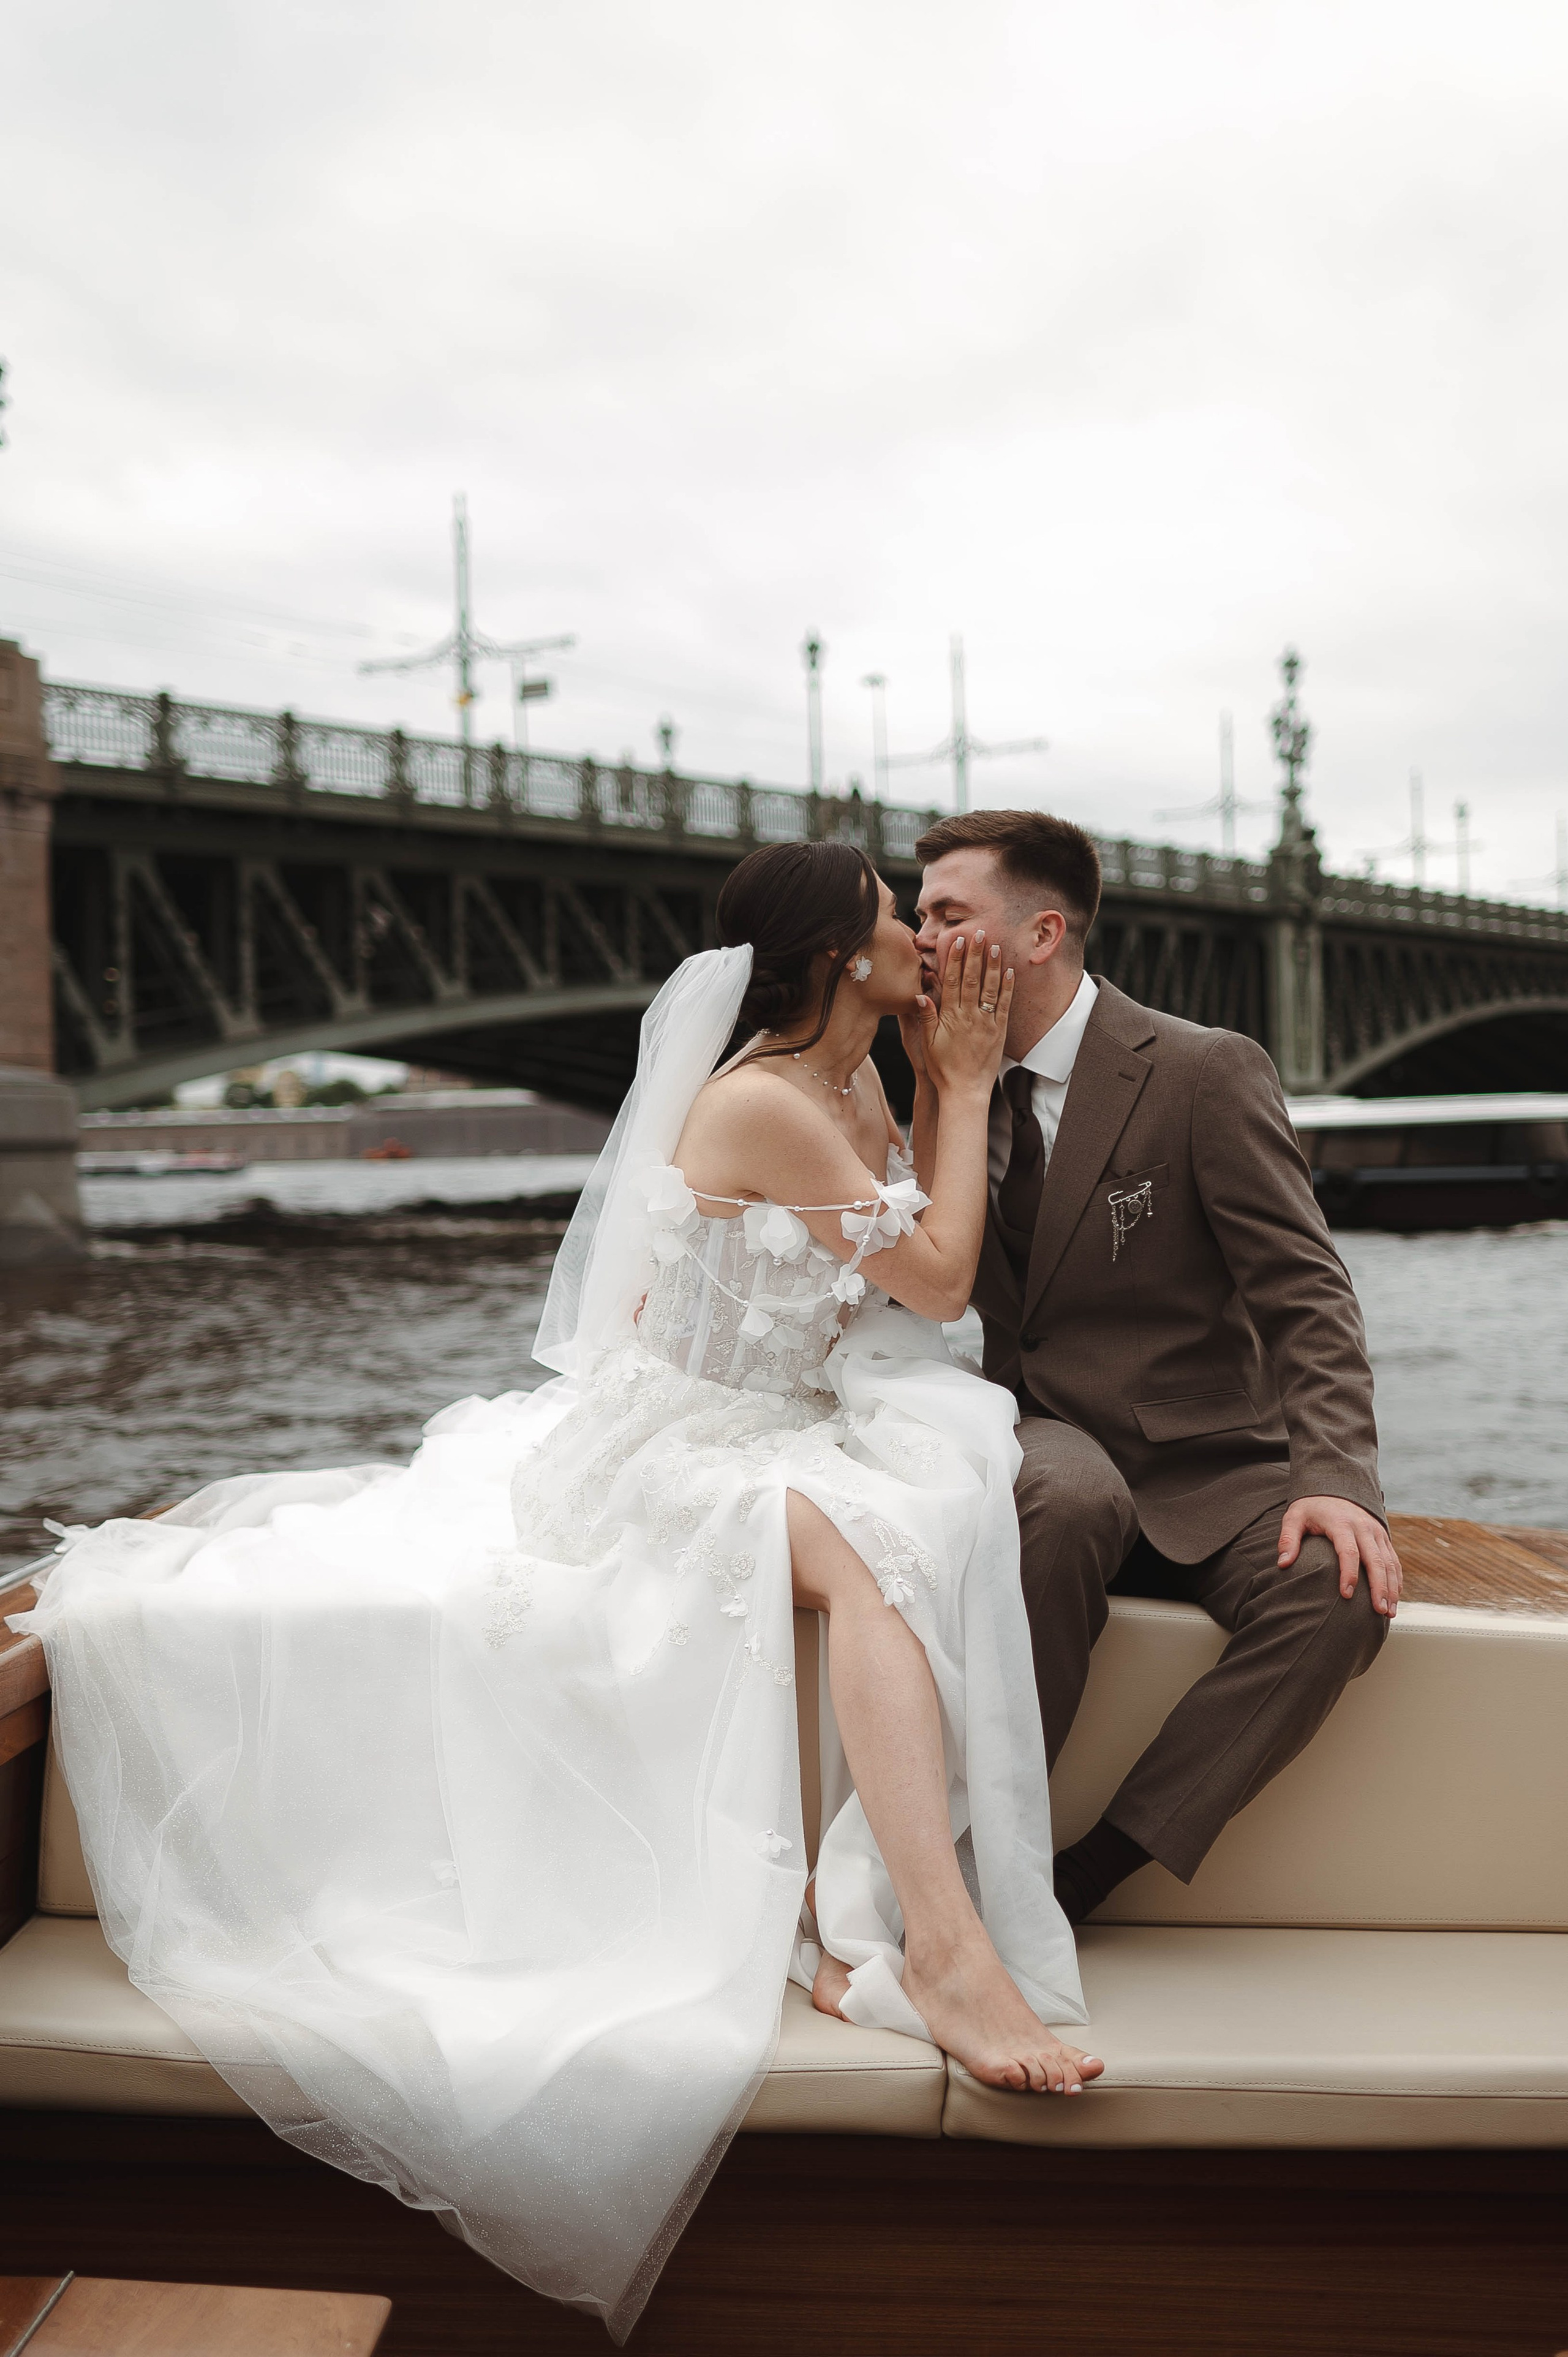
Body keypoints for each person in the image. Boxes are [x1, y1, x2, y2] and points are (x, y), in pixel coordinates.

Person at [14, 840, 1098, 2348]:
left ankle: (909, 1938)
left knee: (929, 1501)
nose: (922, 935)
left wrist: (927, 1079)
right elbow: (934, 1280)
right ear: (837, 958)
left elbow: (840, 1283)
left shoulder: (856, 1080)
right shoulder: (768, 1098)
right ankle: (941, 1949)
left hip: (774, 1420)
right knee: (879, 1546)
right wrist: (968, 1089)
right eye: (891, 919)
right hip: (675, 1447)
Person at [911, 810, 1401, 1927]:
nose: (921, 935)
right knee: (1069, 1497)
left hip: (1208, 1466)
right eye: (918, 911)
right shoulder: (942, 1076)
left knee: (1342, 1594)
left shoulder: (1200, 1071)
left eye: (947, 913)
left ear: (1041, 933)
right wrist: (945, 1090)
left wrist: (1335, 1477)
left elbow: (1305, 1290)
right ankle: (976, 1856)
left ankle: (1097, 1868)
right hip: (1043, 1439)